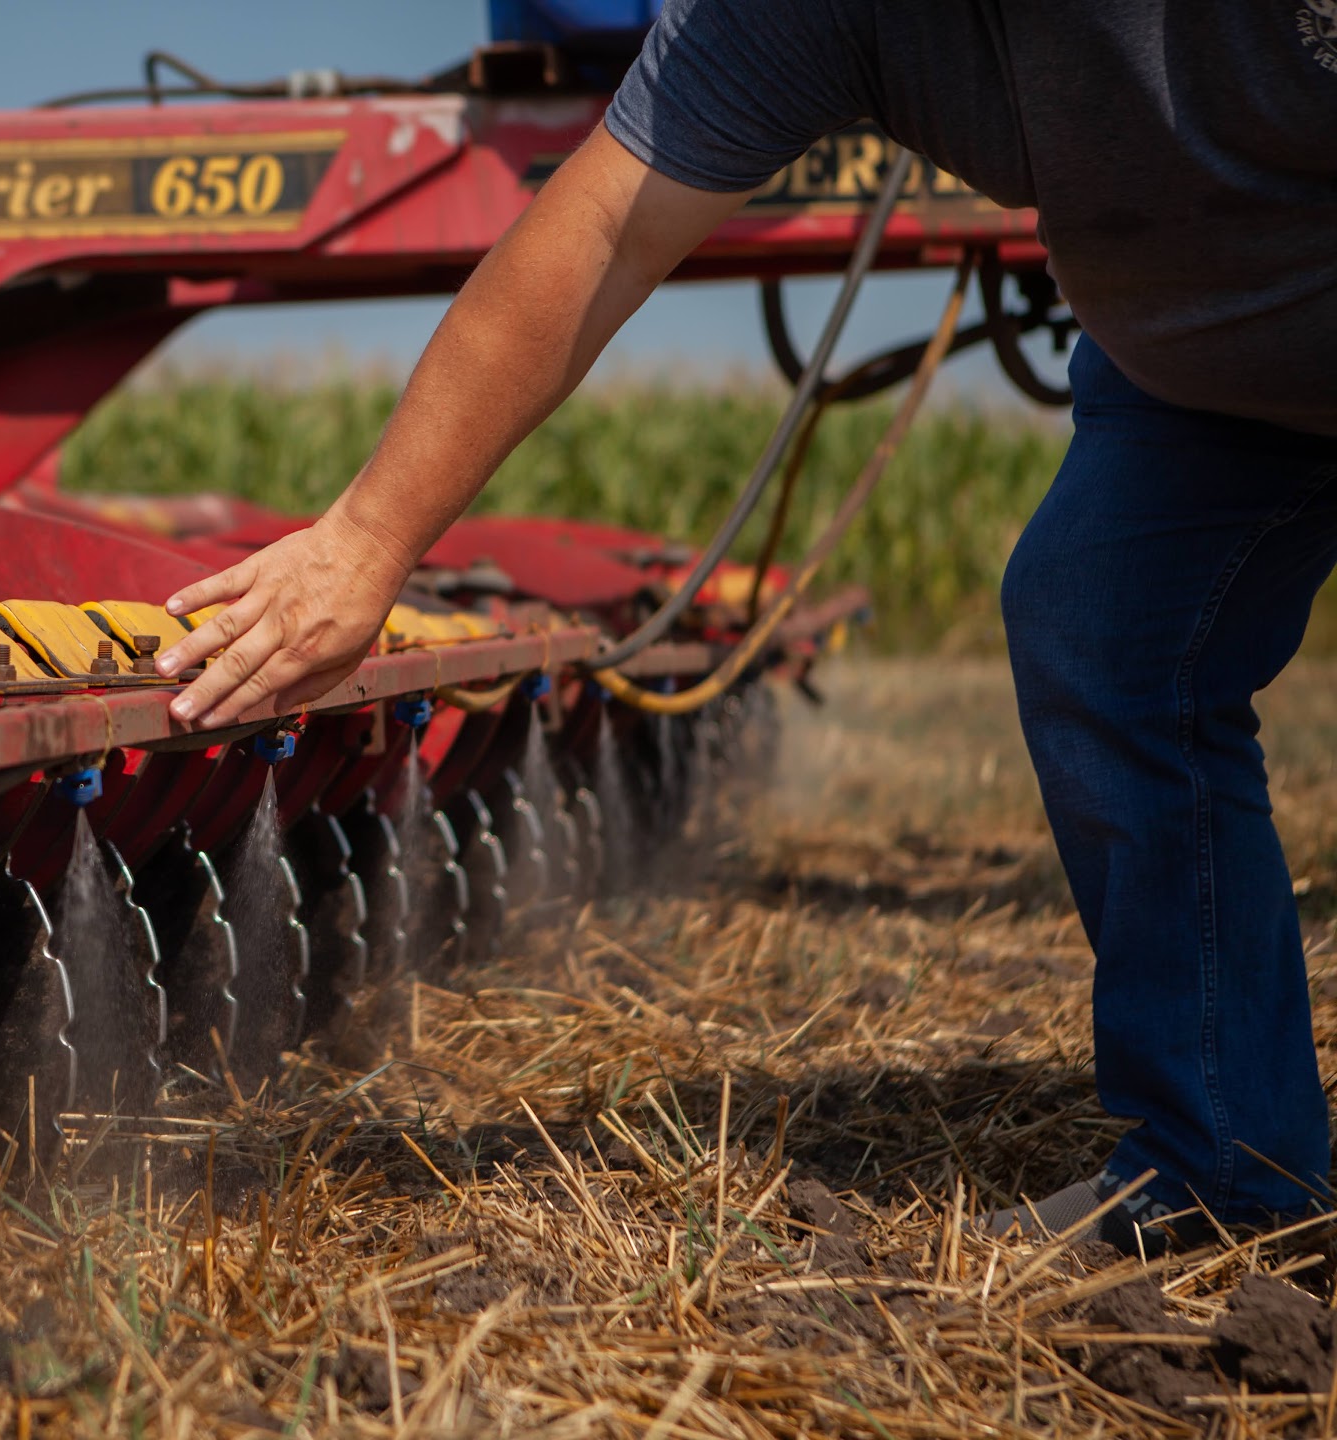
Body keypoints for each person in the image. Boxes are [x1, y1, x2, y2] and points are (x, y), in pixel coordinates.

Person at [150, 0, 1337, 1253]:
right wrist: (367, 539)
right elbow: (602, 227)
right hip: (1195, 372)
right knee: (1106, 628)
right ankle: (1228, 1170)